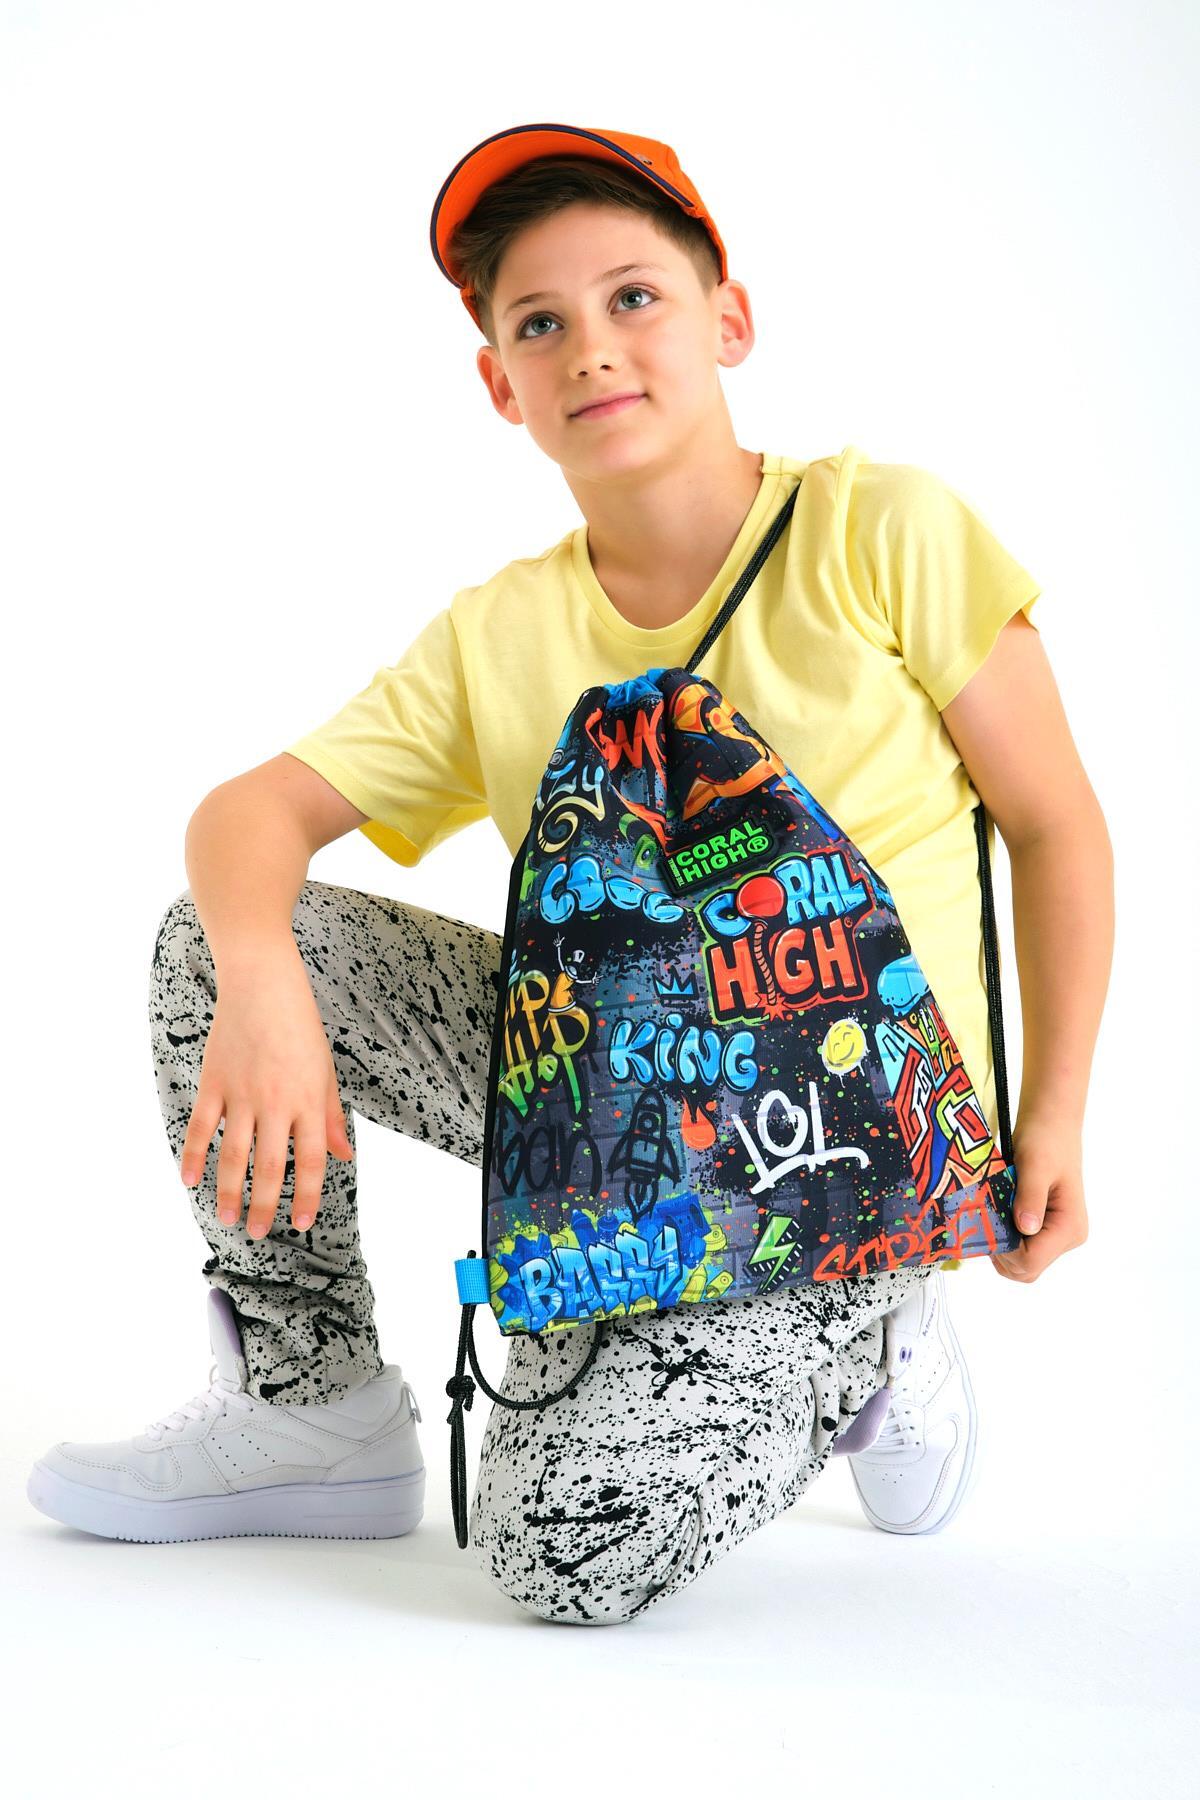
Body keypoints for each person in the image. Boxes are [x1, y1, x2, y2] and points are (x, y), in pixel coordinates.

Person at [26, 123, 1113, 1624]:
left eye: (633, 298)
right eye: (539, 323)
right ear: (502, 384)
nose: (591, 346)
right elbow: (246, 813)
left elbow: (1053, 823)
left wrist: (1053, 1112)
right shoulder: (500, 634)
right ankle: (309, 1398)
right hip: (622, 1109)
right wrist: (264, 980)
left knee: (558, 1557)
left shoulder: (881, 531)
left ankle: (873, 1328)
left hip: (853, 1144)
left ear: (728, 318)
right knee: (218, 940)